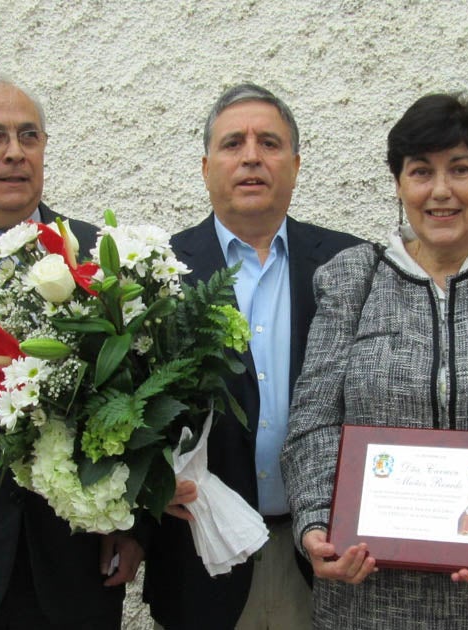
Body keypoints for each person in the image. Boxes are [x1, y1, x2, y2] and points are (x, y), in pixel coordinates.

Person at [281, 93, 468, 629]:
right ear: (398, 183)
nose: (440, 191)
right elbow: (313, 422)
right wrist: (317, 523)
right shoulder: (351, 279)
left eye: (461, 168)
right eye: (420, 171)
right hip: (368, 599)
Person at [134, 83, 365, 629]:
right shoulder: (155, 273)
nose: (252, 157)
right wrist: (149, 486)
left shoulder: (352, 262)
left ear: (296, 165)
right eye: (233, 143)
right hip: (199, 559)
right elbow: (125, 416)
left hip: (322, 561)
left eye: (270, 143)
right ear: (206, 167)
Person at [0, 71, 139, 629]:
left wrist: (132, 523)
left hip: (75, 571)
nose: (15, 152)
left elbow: (136, 401)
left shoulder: (96, 253)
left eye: (29, 136)